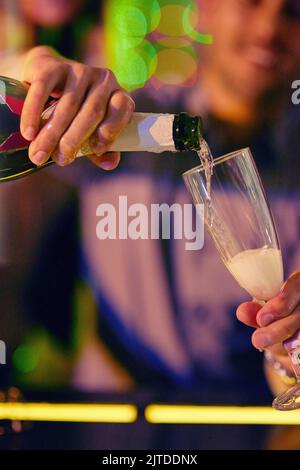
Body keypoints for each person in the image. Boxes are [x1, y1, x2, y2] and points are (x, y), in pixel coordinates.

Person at [8, 0, 300, 401]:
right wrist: (32, 67)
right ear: (206, 9)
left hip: (245, 424)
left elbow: (283, 362)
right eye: (251, 2)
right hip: (109, 419)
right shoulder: (118, 123)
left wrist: (287, 360)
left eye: (295, 11)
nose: (270, 28)